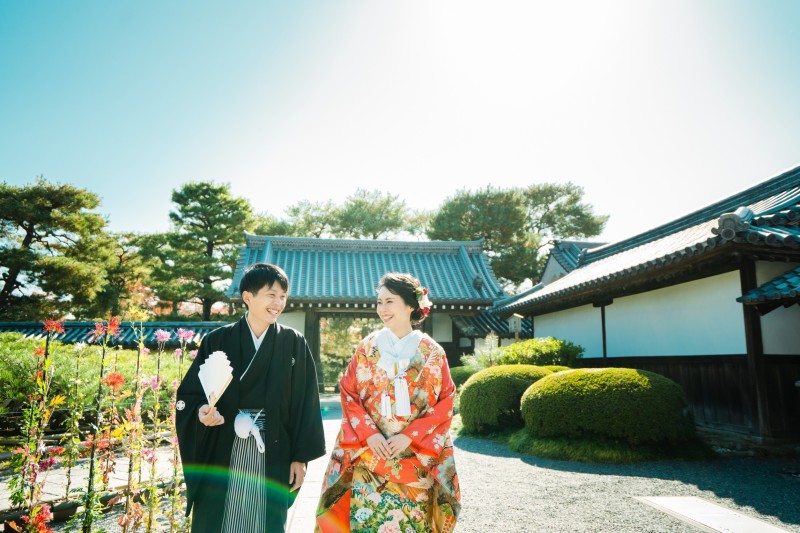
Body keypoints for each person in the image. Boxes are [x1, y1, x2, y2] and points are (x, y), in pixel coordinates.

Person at [176, 262, 326, 533]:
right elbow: (190, 394)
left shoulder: (294, 342)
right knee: (217, 519)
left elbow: (306, 403)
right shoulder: (217, 340)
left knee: (266, 521)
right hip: (223, 445)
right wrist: (201, 412)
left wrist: (299, 458)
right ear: (248, 297)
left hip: (275, 448)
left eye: (283, 296)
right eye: (271, 294)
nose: (278, 302)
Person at [315, 272, 460, 533]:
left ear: (410, 305)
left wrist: (410, 436)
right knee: (368, 520)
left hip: (415, 458)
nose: (382, 308)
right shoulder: (367, 347)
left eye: (389, 301)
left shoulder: (432, 352)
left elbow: (446, 402)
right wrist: (369, 435)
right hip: (371, 455)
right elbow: (349, 393)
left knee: (410, 524)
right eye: (379, 302)